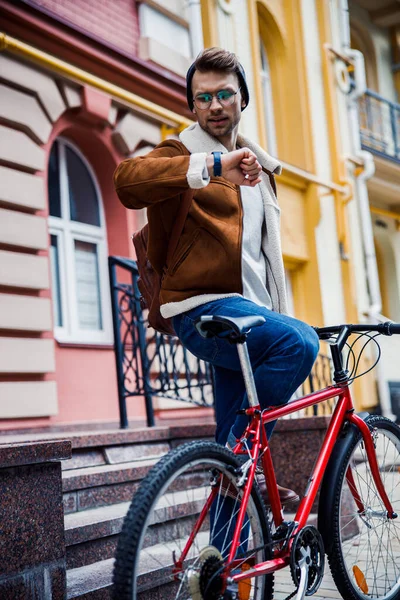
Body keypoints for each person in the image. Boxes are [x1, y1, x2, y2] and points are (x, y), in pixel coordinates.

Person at [114, 47, 320, 507]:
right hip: (204, 308)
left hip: (251, 317)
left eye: (224, 94)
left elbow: (262, 259)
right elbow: (128, 181)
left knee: (237, 474)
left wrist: (276, 314)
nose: (214, 105)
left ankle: (220, 574)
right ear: (192, 105)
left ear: (242, 98)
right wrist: (211, 166)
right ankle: (232, 453)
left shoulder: (260, 168)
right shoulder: (183, 151)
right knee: (301, 344)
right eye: (202, 97)